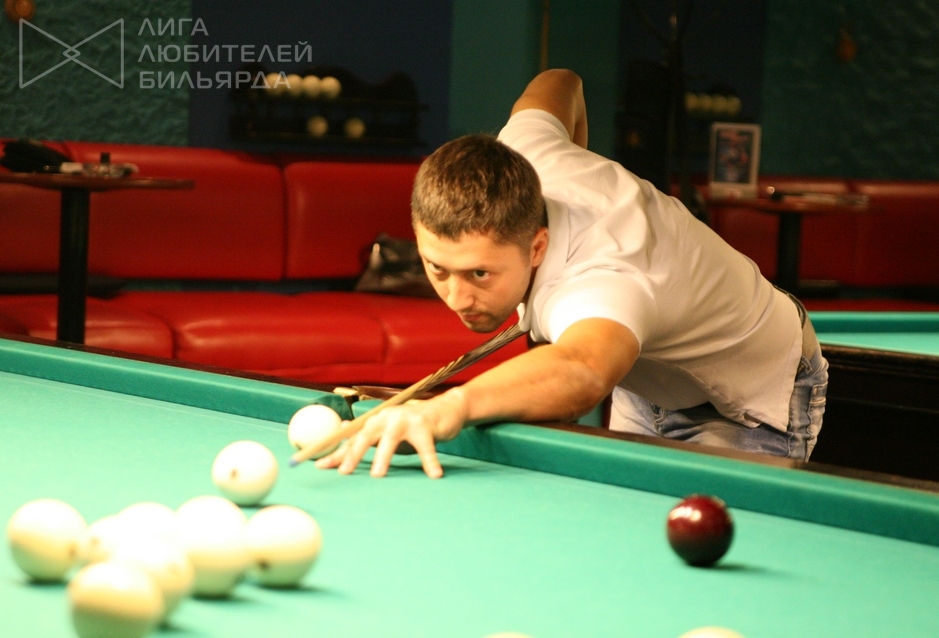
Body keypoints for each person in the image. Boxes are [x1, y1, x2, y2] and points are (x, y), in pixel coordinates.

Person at [316, 69, 828, 479]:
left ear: (537, 245)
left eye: (479, 274)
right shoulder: (524, 154)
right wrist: (581, 162)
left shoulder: (602, 281)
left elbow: (584, 368)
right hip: (646, 373)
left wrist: (450, 407)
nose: (457, 297)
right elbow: (559, 80)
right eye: (438, 269)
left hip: (743, 394)